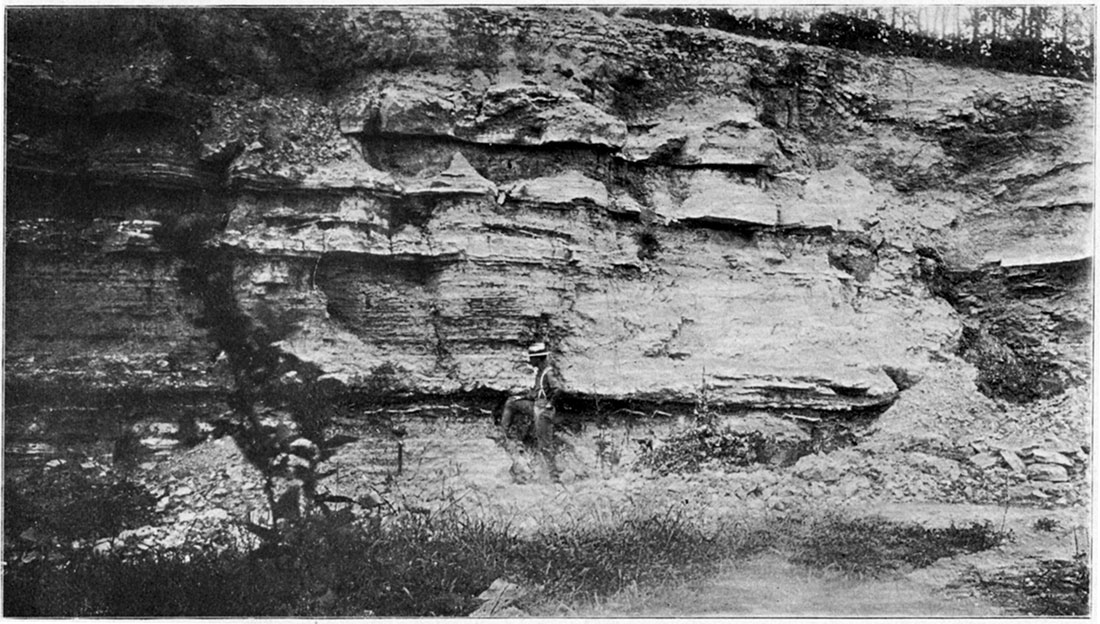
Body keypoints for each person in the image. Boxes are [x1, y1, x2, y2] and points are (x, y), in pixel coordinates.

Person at [499, 342, 564, 450]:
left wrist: (550, 404)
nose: (530, 360)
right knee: (511, 402)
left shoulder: (548, 372)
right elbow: (535, 393)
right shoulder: (540, 372)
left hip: (543, 409)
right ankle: (503, 433)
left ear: (538, 359)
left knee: (544, 445)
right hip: (536, 405)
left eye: (531, 358)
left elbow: (558, 390)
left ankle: (548, 465)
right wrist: (520, 397)